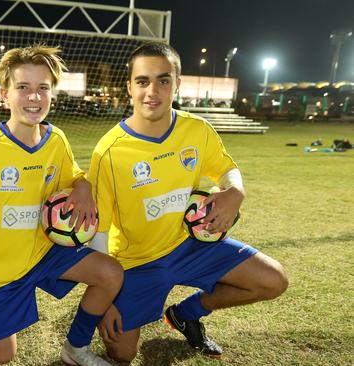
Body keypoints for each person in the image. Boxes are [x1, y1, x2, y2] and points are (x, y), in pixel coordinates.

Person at [87, 41, 289, 361]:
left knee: (273, 281)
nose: (152, 91)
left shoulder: (197, 130)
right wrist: (104, 296)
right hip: (136, 261)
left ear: (177, 83)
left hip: (190, 246)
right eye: (142, 81)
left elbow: (226, 170)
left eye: (163, 80)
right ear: (129, 87)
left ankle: (186, 313)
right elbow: (98, 232)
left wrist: (235, 192)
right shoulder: (110, 151)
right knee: (121, 352)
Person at [0, 44, 124, 366]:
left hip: (46, 252)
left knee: (110, 273)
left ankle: (75, 350)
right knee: (4, 356)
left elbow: (73, 175)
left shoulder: (56, 140)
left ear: (52, 93)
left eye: (42, 88)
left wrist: (84, 186)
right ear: (5, 94)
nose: (34, 97)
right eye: (23, 87)